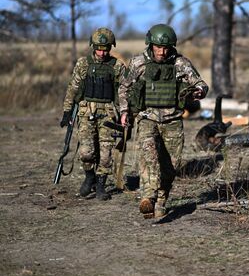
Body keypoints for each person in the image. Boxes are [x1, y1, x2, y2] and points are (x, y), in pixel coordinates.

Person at [118, 24, 208, 218]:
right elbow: (124, 88)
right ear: (150, 45)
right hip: (147, 117)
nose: (162, 51)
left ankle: (161, 200)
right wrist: (125, 111)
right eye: (158, 47)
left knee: (170, 165)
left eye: (166, 47)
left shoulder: (180, 64)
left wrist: (200, 91)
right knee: (149, 157)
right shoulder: (138, 63)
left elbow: (200, 83)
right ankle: (148, 197)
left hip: (173, 121)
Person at [60, 27, 126, 200]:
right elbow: (73, 88)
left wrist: (126, 113)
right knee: (86, 152)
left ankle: (101, 185)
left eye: (106, 49)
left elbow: (124, 92)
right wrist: (67, 111)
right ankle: (89, 178)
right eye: (98, 48)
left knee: (106, 154)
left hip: (108, 114)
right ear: (92, 46)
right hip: (85, 112)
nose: (102, 52)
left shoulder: (117, 66)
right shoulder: (83, 64)